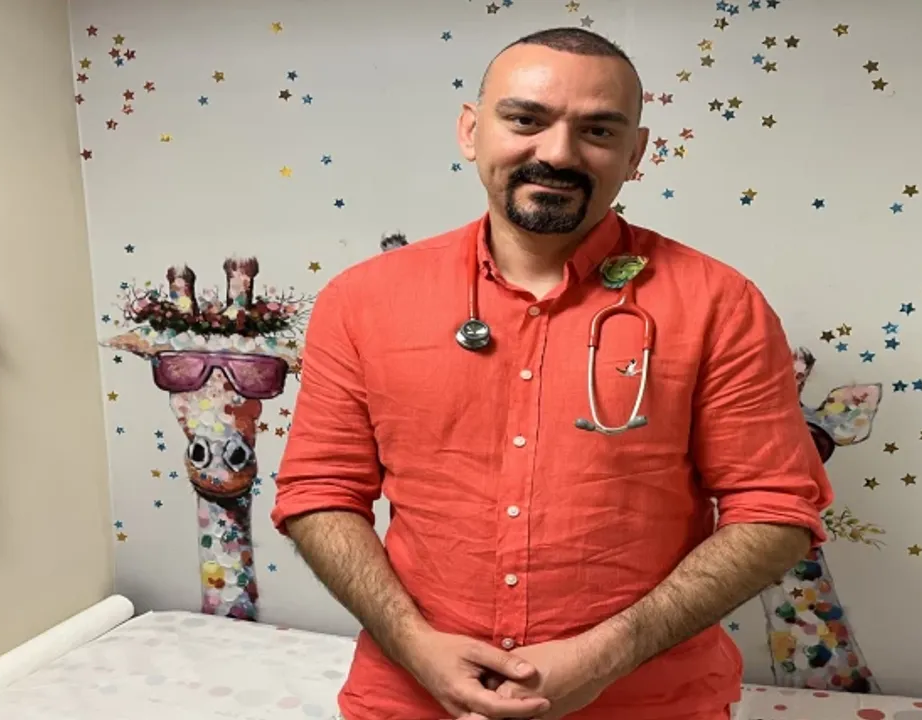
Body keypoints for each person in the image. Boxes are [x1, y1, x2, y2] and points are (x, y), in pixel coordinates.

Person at [270, 26, 834, 720]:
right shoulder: (362, 300)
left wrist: (610, 654)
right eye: (525, 120)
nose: (559, 153)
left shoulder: (721, 304)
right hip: (409, 697)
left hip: (648, 702)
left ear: (636, 154)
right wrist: (413, 645)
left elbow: (775, 510)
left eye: (597, 130)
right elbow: (319, 490)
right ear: (471, 130)